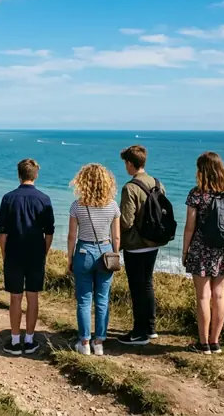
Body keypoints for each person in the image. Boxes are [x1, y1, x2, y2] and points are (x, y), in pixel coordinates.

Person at [182, 152, 224, 355]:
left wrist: (185, 250)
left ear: (202, 171)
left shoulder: (197, 194)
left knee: (203, 297)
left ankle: (203, 343)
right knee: (219, 296)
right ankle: (215, 342)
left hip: (202, 248)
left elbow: (190, 226)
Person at [0, 159, 55, 355]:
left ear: (19, 174)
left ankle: (15, 341)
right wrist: (44, 252)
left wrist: (5, 254)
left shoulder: (8, 198)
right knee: (33, 297)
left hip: (14, 252)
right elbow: (49, 233)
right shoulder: (44, 199)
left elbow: (2, 233)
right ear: (35, 175)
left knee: (15, 298)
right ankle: (29, 339)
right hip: (35, 254)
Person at [67, 164, 121, 356]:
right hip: (105, 252)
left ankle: (84, 342)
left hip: (83, 252)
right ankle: (99, 342)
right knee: (102, 299)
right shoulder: (113, 205)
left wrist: (70, 258)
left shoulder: (77, 205)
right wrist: (115, 254)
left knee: (83, 300)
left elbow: (72, 236)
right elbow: (116, 237)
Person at [118, 145, 164, 346]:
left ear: (130, 163)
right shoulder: (157, 183)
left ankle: (139, 331)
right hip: (153, 242)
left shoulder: (130, 187)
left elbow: (126, 221)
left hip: (136, 245)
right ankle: (151, 327)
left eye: (125, 163)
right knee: (147, 284)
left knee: (137, 288)